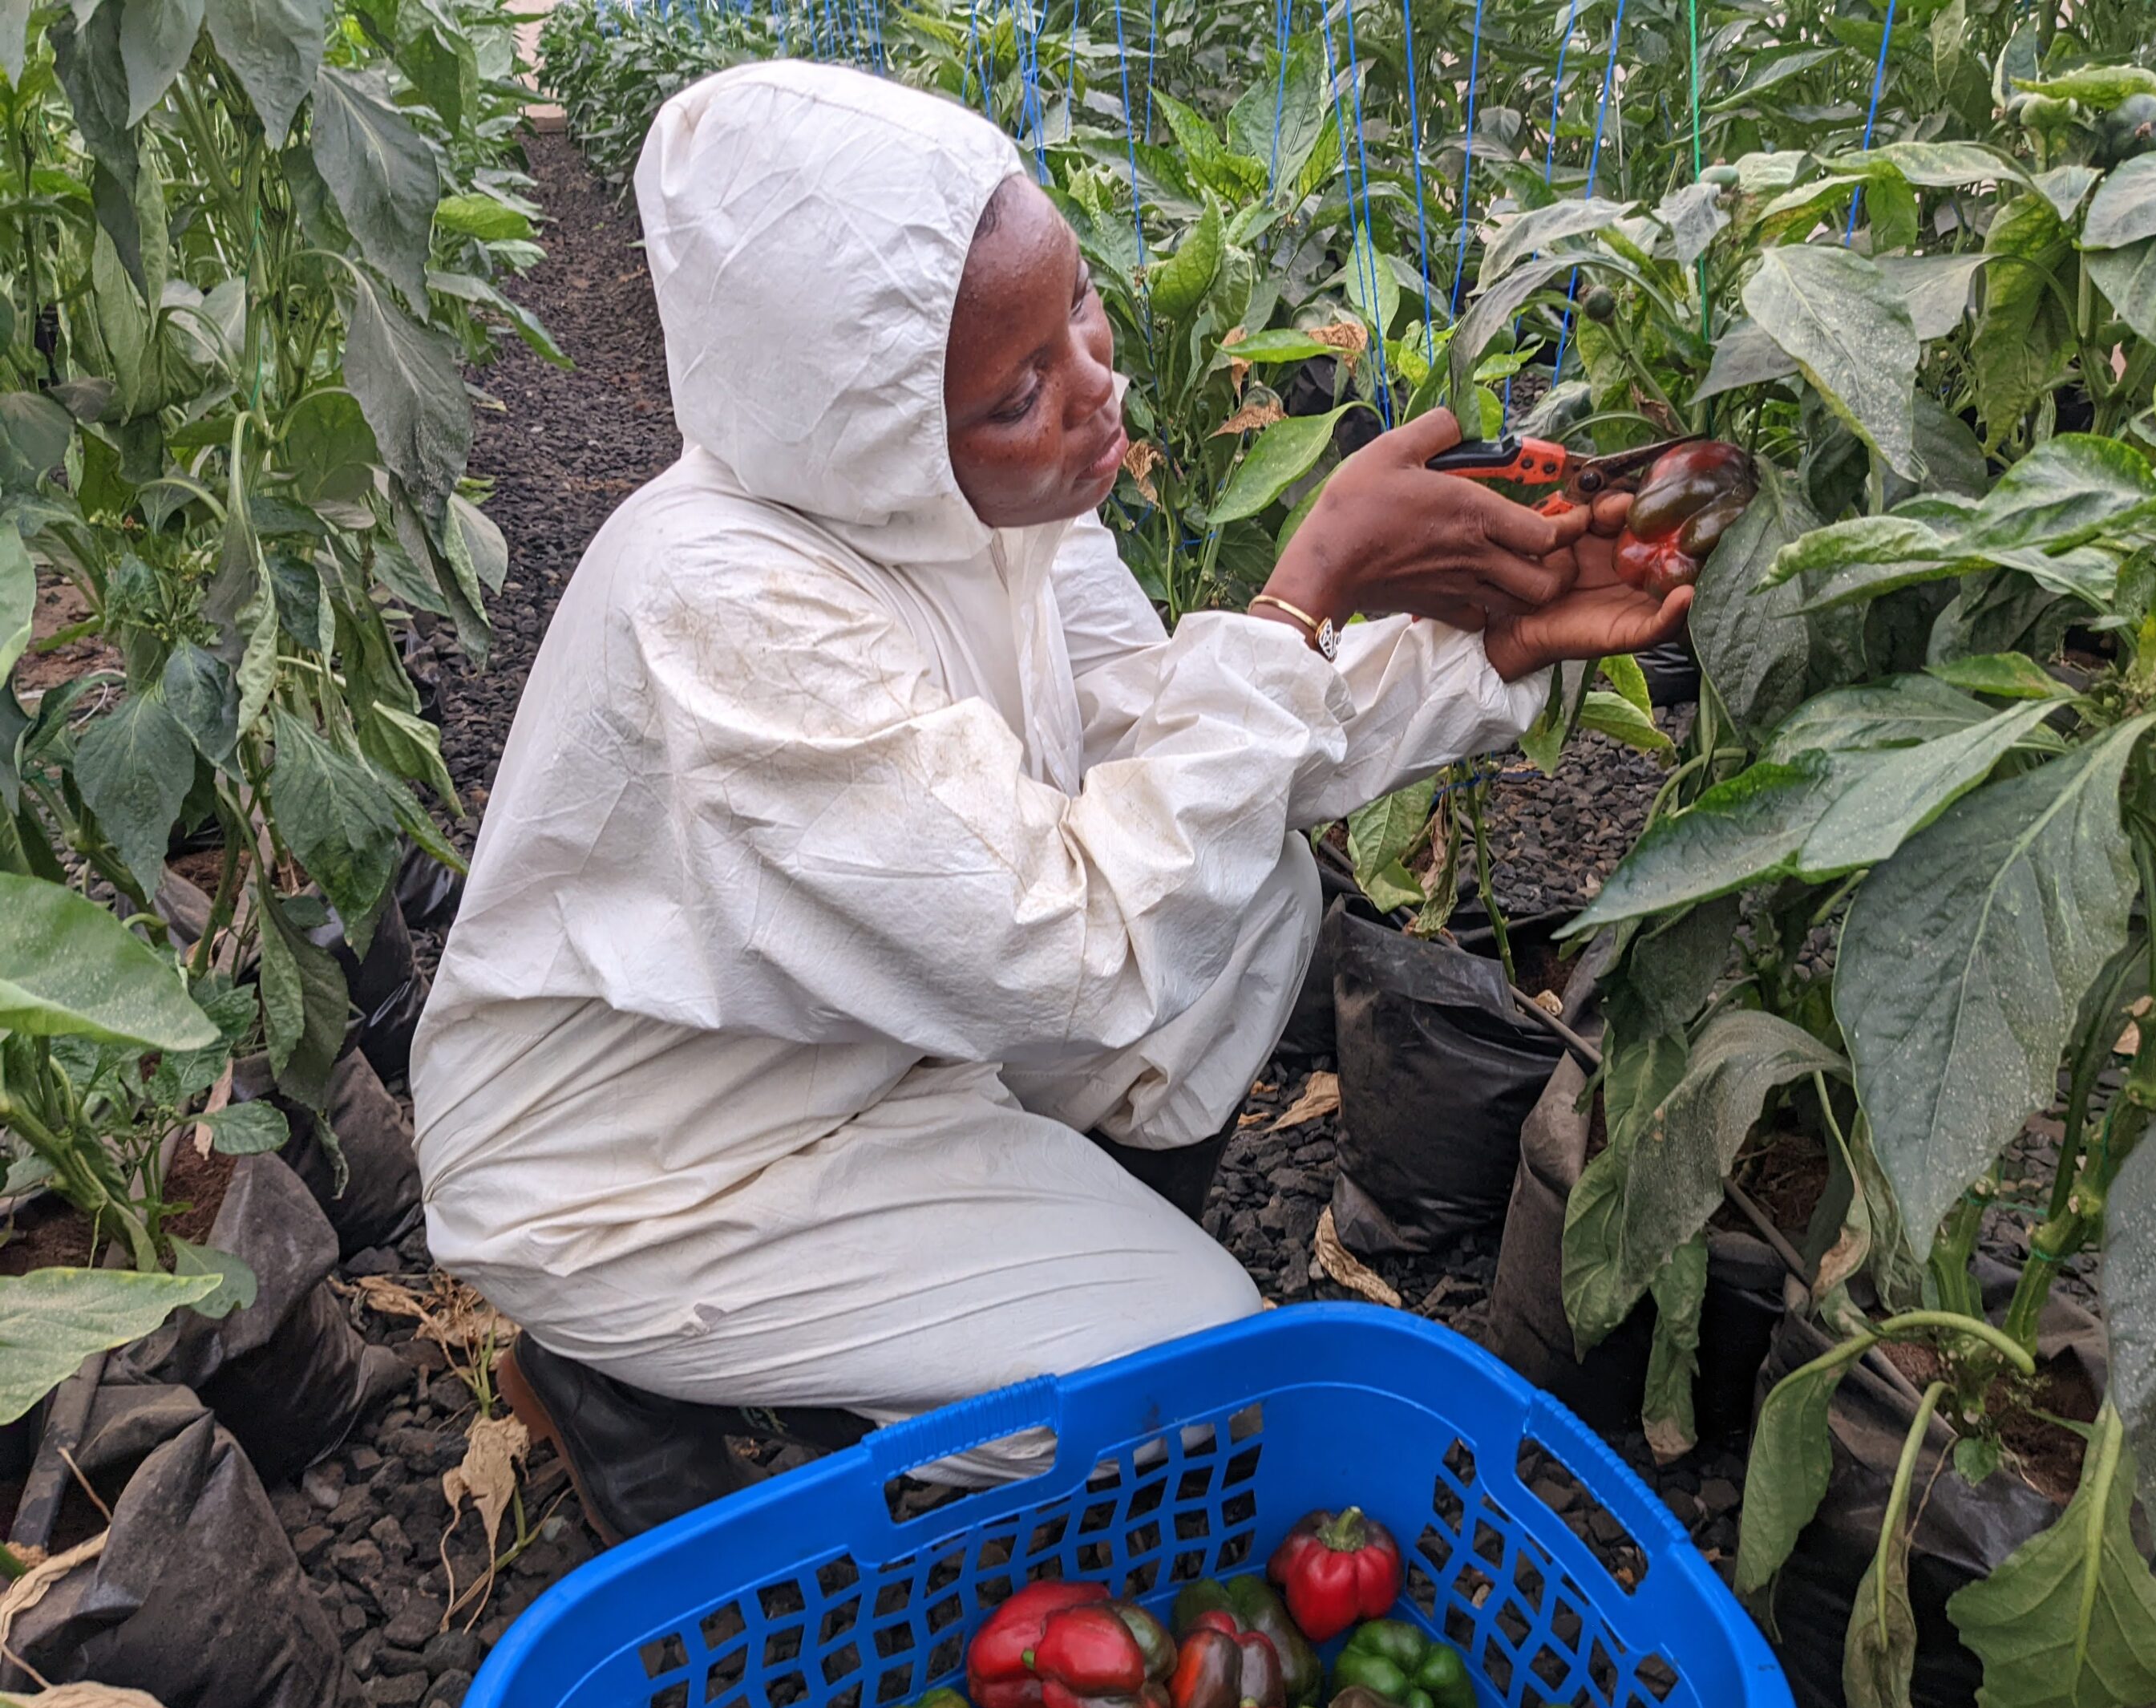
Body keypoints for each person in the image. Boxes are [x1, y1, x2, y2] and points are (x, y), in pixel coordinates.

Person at [406, 59, 1690, 1542]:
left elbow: (1178, 759)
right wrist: (1306, 585)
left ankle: (988, 1307)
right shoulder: (726, 605)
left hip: (855, 1048)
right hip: (656, 1163)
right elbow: (1075, 952)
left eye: (1076, 310)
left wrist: (1483, 649)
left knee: (1245, 870)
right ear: (873, 431)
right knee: (1187, 1390)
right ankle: (644, 1370)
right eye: (1019, 393)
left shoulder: (990, 506)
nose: (1097, 391)